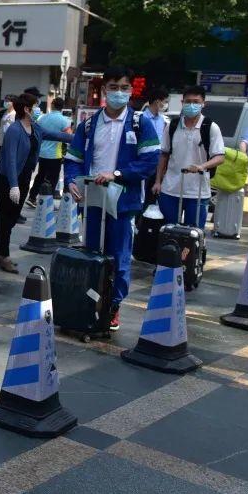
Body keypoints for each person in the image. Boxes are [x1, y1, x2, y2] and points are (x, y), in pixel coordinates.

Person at [63, 67, 160, 330]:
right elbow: (73, 159)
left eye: (125, 88)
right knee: (92, 254)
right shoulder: (89, 124)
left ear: (131, 91)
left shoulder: (141, 123)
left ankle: (113, 305)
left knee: (119, 257)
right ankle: (91, 301)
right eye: (114, 87)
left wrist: (117, 174)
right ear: (104, 90)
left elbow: (149, 161)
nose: (119, 92)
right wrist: (72, 181)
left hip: (123, 202)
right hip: (93, 200)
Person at [0, 93, 73, 273]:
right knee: (6, 218)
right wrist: (13, 185)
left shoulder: (35, 128)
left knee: (12, 218)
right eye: (36, 107)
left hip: (24, 178)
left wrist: (81, 137)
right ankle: (4, 256)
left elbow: (58, 136)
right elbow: (10, 159)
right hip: (8, 180)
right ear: (27, 109)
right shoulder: (14, 130)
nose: (38, 110)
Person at [153, 86, 224, 227]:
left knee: (194, 234)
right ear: (182, 102)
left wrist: (201, 166)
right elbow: (164, 155)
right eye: (188, 101)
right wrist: (158, 181)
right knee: (168, 231)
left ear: (204, 103)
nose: (192, 105)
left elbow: (220, 157)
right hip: (170, 189)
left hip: (197, 192)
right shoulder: (172, 126)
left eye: (196, 102)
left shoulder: (210, 127)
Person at [26, 96, 72, 207]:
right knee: (52, 179)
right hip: (55, 154)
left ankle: (32, 197)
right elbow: (69, 136)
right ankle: (48, 202)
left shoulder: (42, 118)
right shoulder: (64, 121)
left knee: (40, 176)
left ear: (52, 106)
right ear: (62, 107)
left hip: (42, 153)